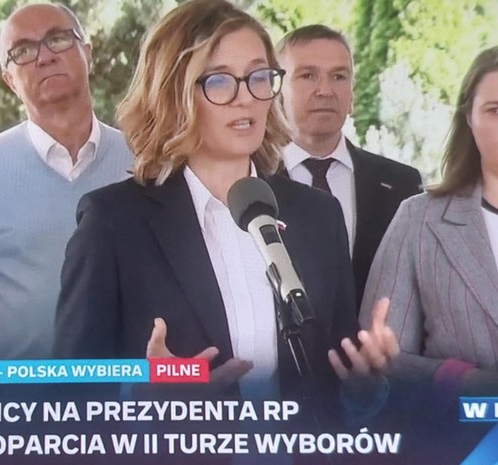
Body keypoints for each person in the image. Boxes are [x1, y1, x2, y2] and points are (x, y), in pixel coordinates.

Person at [54, 0, 398, 430]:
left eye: (258, 77)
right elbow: (68, 405)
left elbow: (333, 397)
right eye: (219, 81)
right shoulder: (113, 223)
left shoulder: (318, 216)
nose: (246, 98)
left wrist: (365, 389)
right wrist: (142, 401)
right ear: (174, 92)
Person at [0, 2, 133, 360]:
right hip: (4, 390)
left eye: (58, 39)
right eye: (23, 51)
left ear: (87, 54)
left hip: (115, 388)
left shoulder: (141, 162)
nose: (45, 57)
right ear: (10, 80)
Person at [360, 46, 498, 396]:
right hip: (457, 427)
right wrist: (459, 378)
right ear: (469, 118)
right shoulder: (419, 220)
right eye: (495, 111)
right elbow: (383, 363)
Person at [276, 25, 422, 308]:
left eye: (339, 76)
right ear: (278, 91)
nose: (325, 90)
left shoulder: (401, 185)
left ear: (352, 94)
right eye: (308, 75)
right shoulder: (251, 183)